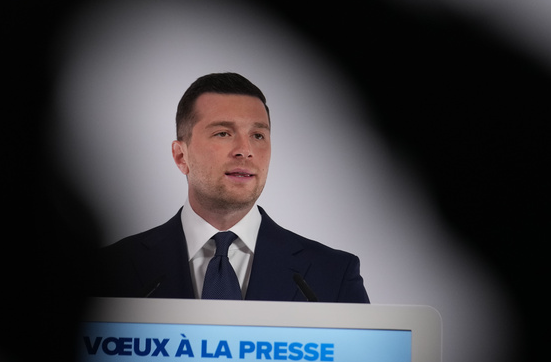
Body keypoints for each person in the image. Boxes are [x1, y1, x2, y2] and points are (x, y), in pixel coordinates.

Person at [95, 72, 369, 302]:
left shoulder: (332, 274)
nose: (245, 150)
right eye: (223, 133)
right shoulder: (110, 271)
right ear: (181, 156)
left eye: (258, 135)